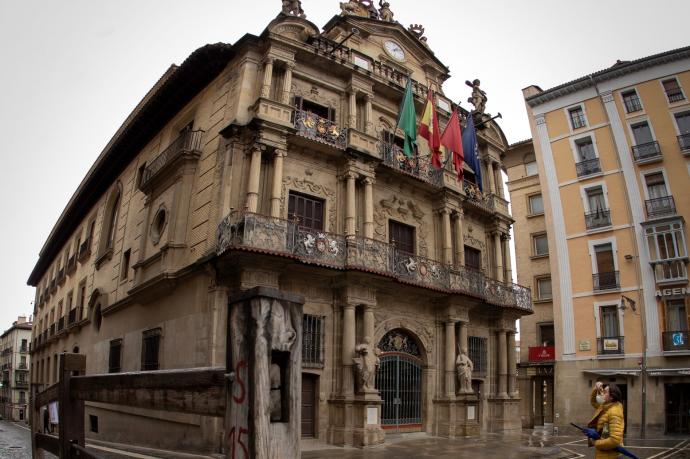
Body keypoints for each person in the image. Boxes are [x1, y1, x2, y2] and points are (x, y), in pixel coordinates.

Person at [585, 382, 625, 459]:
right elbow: (593, 402)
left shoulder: (614, 412)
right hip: (605, 453)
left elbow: (614, 440)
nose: (602, 393)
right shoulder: (605, 406)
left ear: (612, 397)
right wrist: (596, 389)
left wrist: (596, 442)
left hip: (611, 455)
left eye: (605, 392)